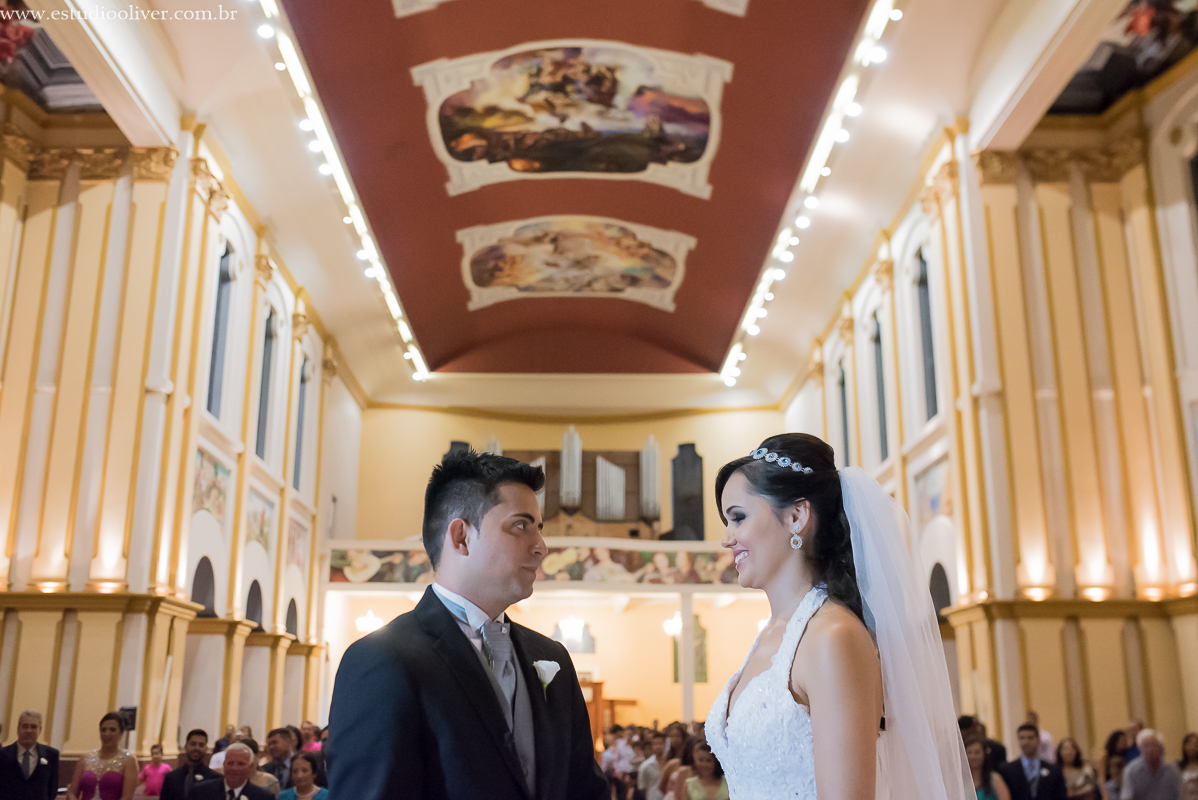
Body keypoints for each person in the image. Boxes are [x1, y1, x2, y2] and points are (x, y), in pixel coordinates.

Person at [326, 450, 607, 800]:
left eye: (539, 528)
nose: (541, 547)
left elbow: (584, 789)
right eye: (520, 526)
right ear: (461, 537)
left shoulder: (552, 657)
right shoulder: (382, 660)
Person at [705, 434, 972, 799]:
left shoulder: (833, 636)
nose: (727, 538)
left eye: (738, 518)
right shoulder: (771, 635)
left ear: (796, 516)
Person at [66, 711, 138, 800]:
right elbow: (72, 793)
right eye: (103, 729)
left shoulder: (128, 760)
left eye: (112, 729)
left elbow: (127, 797)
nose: (107, 733)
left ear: (121, 733)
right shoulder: (85, 758)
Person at [0, 709, 59, 800]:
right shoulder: (3, 754)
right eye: (24, 726)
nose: (28, 730)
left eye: (33, 727)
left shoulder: (51, 755)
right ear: (18, 728)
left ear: (40, 730)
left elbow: (52, 789)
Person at [999, 722, 1067, 800]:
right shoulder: (1007, 770)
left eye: (1030, 738)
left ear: (1038, 740)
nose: (1026, 742)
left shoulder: (1053, 770)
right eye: (1022, 738)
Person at [190, 743, 272, 800]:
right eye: (230, 763)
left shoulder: (262, 797)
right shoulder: (201, 791)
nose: (234, 768)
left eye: (240, 764)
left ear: (250, 767)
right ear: (224, 765)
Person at [1120, 729, 1180, 800]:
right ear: (1140, 750)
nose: (1150, 750)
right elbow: (1127, 797)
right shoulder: (1131, 771)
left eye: (1154, 745)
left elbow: (1180, 795)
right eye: (1146, 746)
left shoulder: (1171, 770)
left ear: (1161, 748)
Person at [160, 729, 219, 800]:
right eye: (193, 744)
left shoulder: (215, 779)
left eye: (201, 745)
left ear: (206, 749)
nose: (196, 748)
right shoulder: (171, 778)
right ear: (186, 746)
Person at [967, 734, 1012, 800]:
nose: (973, 756)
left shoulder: (994, 779)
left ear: (984, 755)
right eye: (969, 752)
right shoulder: (961, 780)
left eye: (977, 752)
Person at [638, 731, 667, 800]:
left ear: (665, 744)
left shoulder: (670, 763)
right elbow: (642, 788)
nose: (658, 746)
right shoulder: (645, 766)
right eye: (655, 744)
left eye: (660, 744)